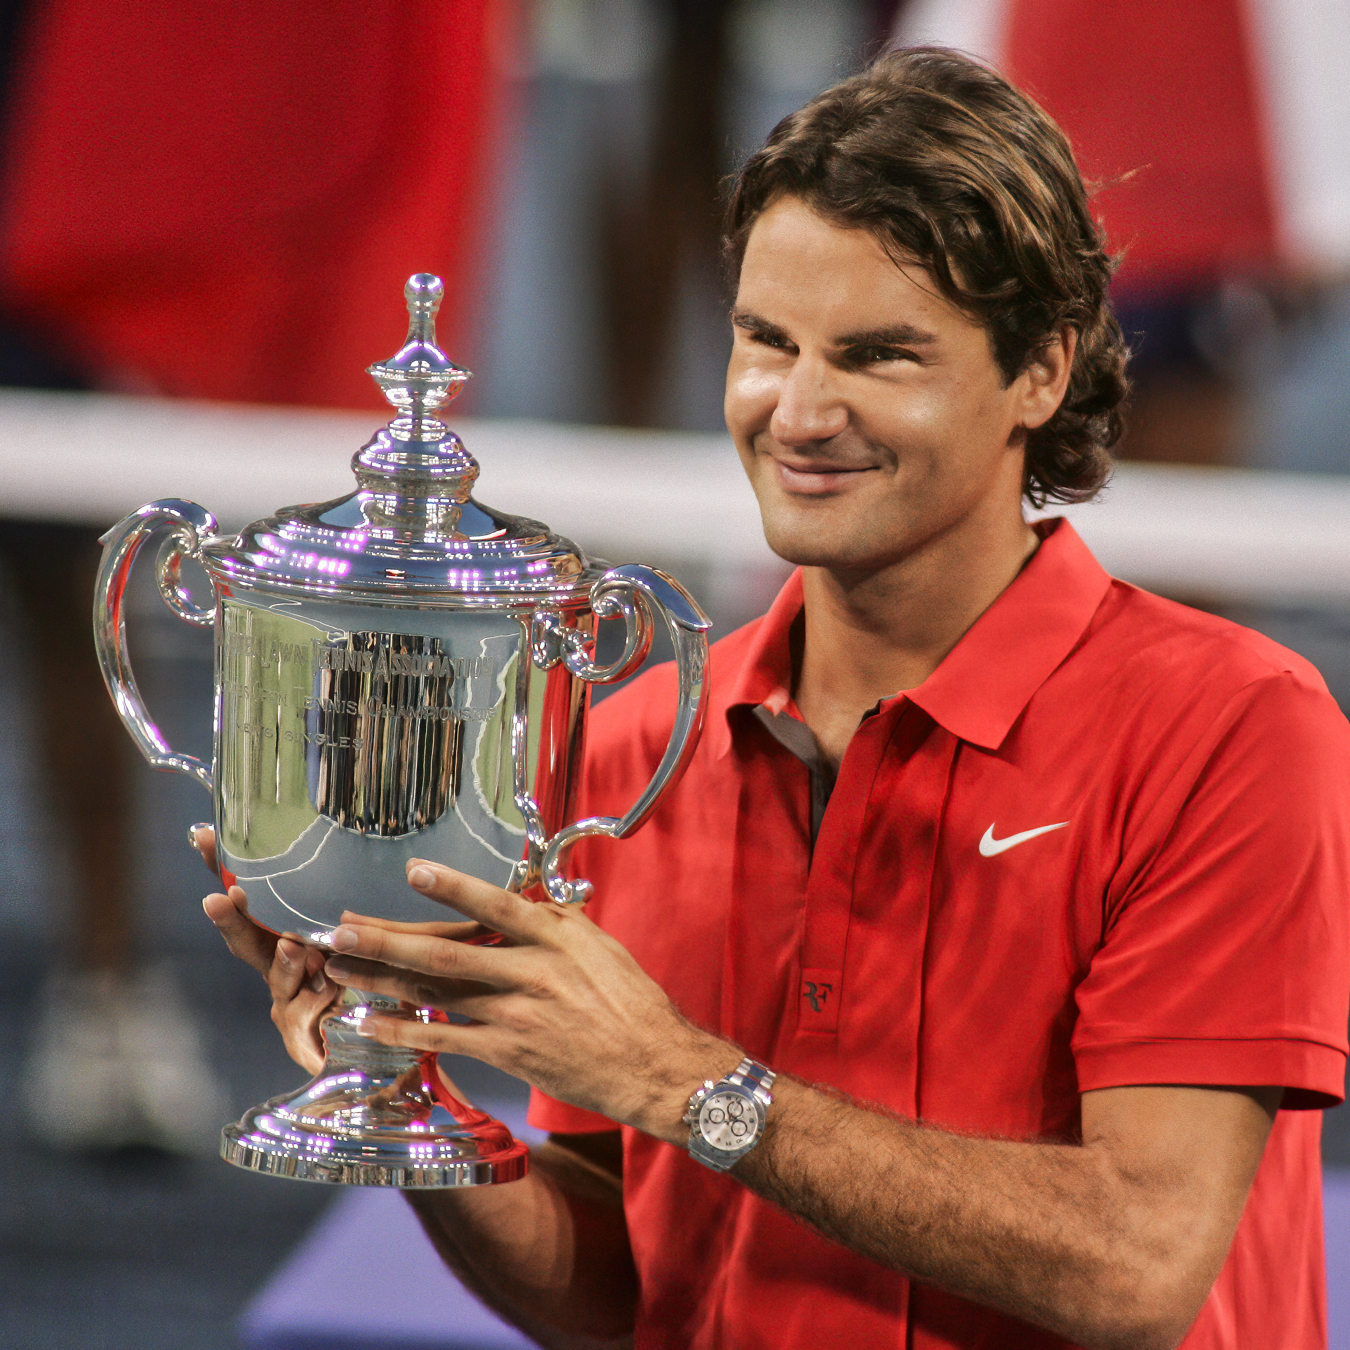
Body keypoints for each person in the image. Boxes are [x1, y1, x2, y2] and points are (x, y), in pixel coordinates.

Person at [198, 48, 1349, 1350]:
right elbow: (623, 1286)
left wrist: (686, 1083)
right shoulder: (629, 743)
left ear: (1039, 372)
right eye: (764, 341)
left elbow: (1136, 1263)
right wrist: (404, 1094)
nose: (797, 410)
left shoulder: (1236, 728)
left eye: (876, 355)